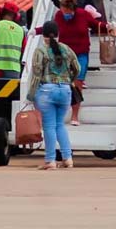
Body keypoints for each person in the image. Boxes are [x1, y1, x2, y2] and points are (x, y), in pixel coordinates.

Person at [35, 0, 110, 125]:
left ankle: (75, 116)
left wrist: (108, 26)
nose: (66, 15)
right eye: (64, 12)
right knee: (62, 82)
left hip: (81, 54)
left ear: (73, 9)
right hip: (64, 54)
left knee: (77, 84)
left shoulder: (83, 14)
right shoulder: (59, 16)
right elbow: (49, 28)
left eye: (68, 13)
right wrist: (35, 31)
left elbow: (96, 25)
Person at [27, 20, 80, 170]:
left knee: (49, 126)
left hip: (47, 91)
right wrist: (69, 79)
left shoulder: (41, 51)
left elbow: (36, 75)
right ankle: (68, 158)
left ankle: (50, 160)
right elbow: (77, 67)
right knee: (60, 125)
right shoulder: (67, 49)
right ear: (58, 34)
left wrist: (30, 96)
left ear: (43, 36)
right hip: (65, 90)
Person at [0, 1, 26, 79]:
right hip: (15, 70)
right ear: (15, 16)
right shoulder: (21, 31)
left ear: (2, 12)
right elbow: (24, 54)